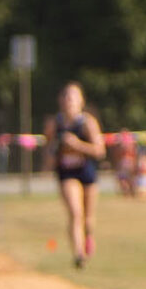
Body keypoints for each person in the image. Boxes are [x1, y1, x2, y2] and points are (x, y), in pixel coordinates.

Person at [45, 84, 107, 266]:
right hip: (66, 173)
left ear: (81, 101)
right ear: (60, 101)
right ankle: (79, 254)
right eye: (65, 96)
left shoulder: (87, 123)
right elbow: (48, 150)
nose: (68, 100)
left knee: (88, 219)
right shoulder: (54, 124)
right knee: (75, 212)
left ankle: (88, 235)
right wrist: (51, 156)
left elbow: (100, 150)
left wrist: (77, 145)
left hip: (86, 171)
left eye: (72, 97)